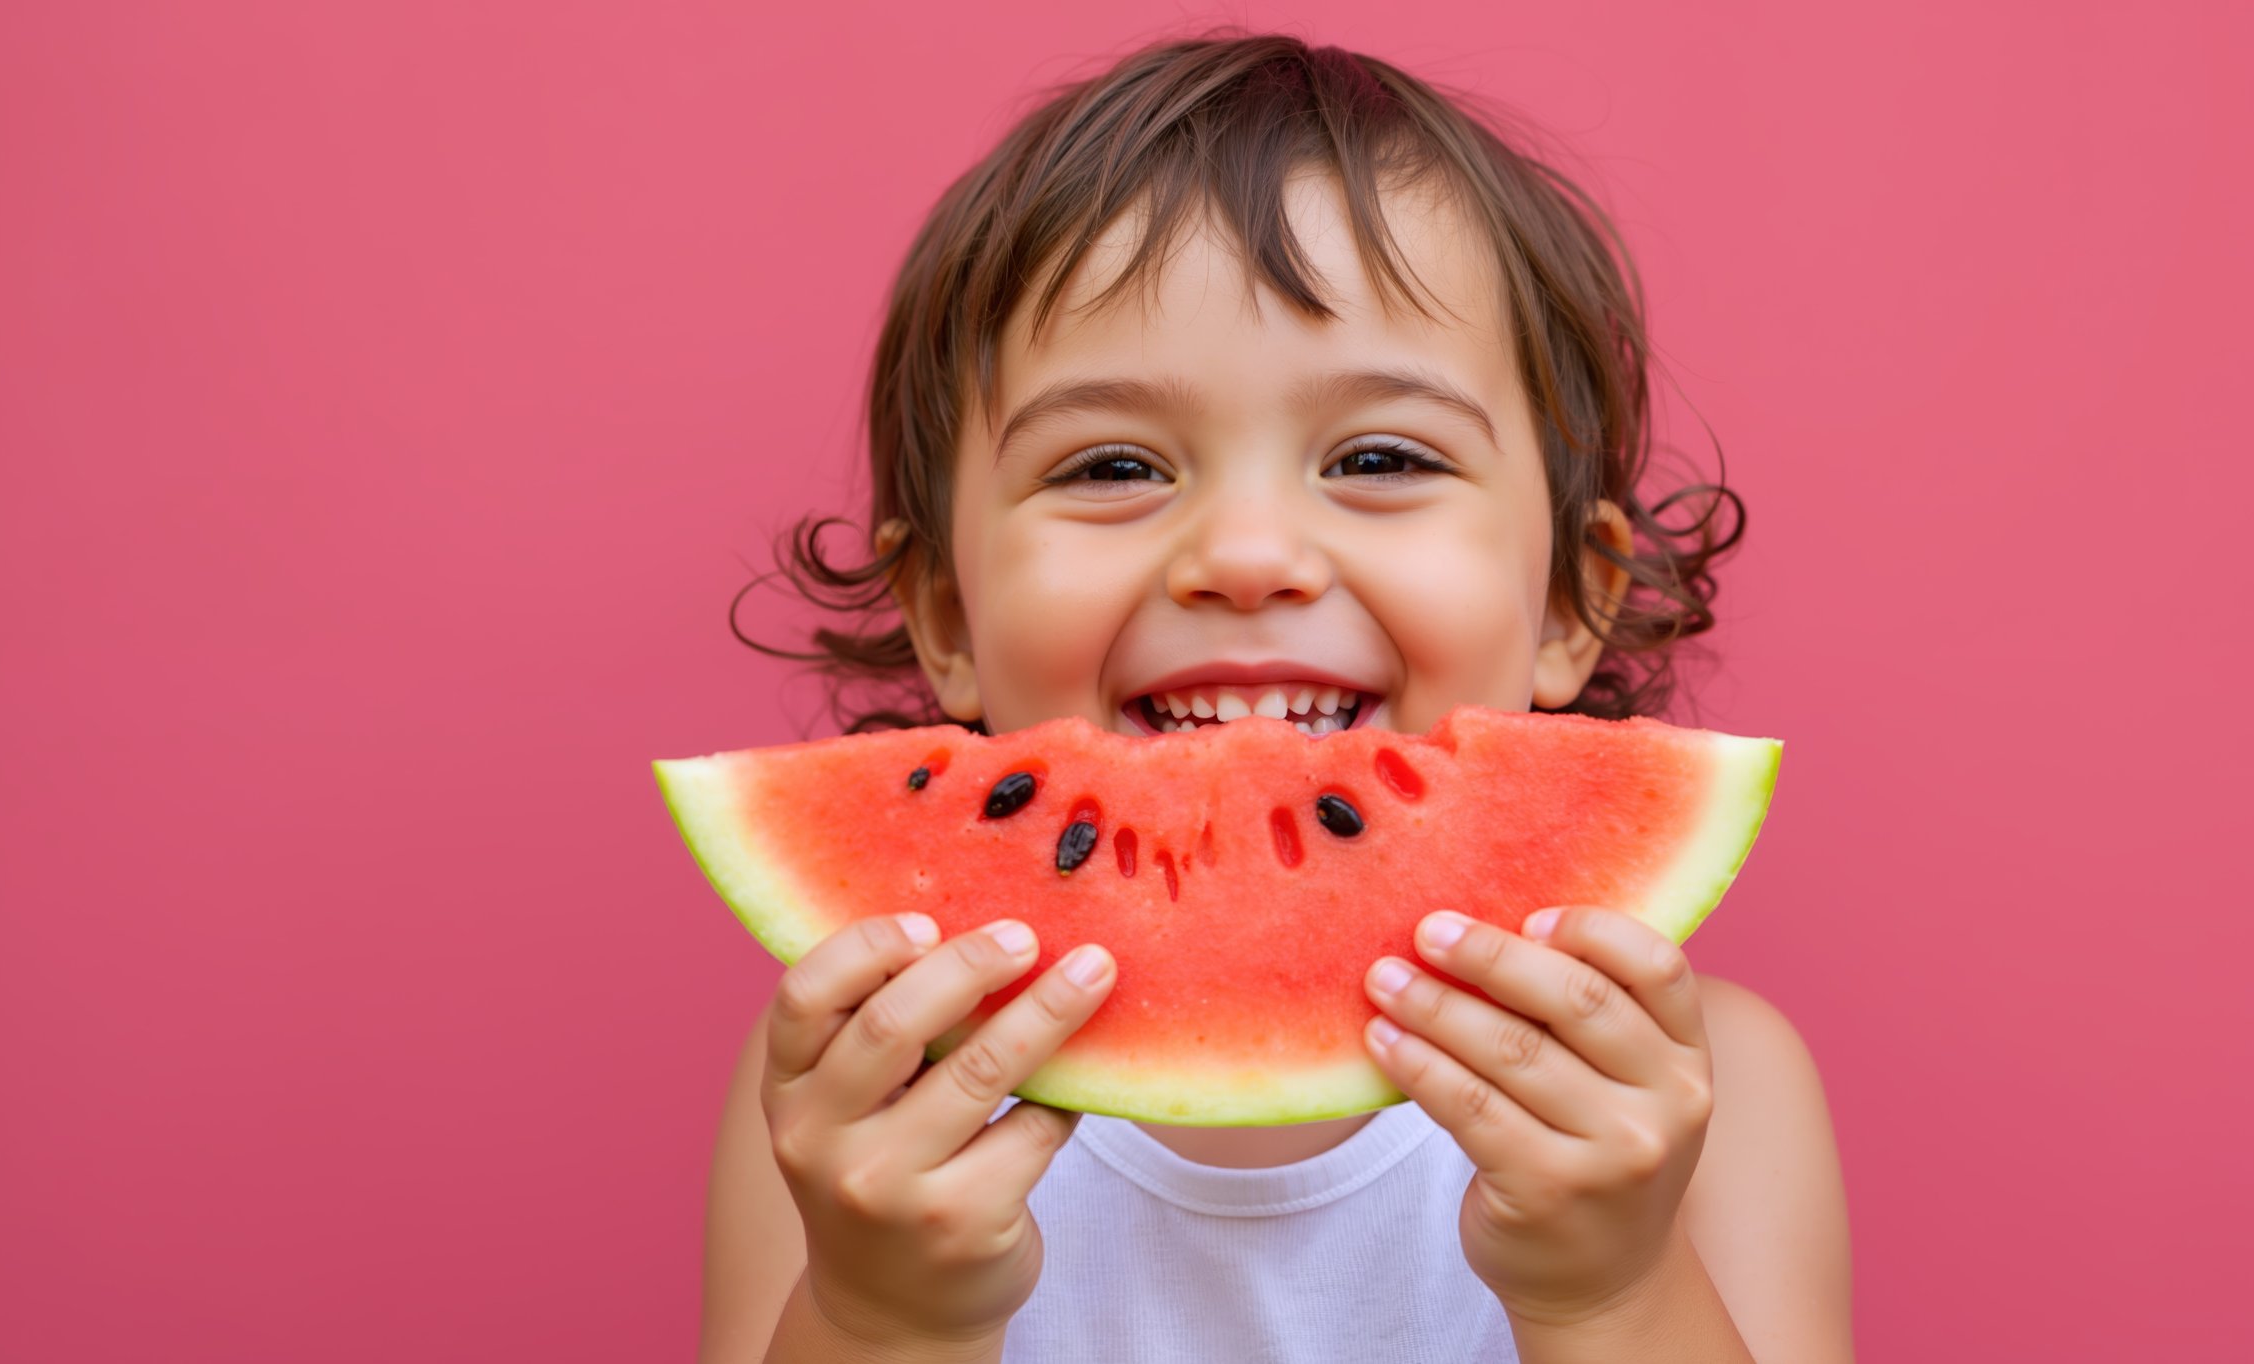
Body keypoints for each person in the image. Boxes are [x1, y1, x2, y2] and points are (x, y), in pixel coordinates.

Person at [701, 31, 1850, 1364]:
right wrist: (879, 1309)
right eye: (1113, 467)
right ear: (949, 614)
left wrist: (1610, 1291)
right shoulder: (875, 1083)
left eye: (1376, 454)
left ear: (1566, 603)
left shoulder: (1712, 1089)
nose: (1246, 558)